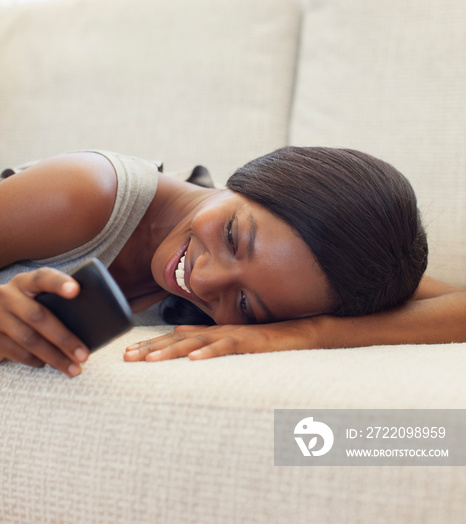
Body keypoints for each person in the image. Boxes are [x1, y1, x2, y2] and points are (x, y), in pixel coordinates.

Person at [0, 147, 464, 378]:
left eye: (245, 305)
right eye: (232, 237)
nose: (203, 279)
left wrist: (308, 333)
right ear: (254, 178)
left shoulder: (316, 277)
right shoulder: (86, 192)